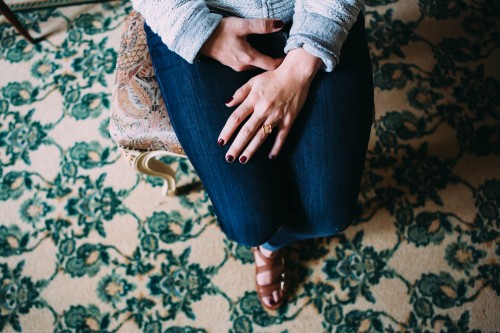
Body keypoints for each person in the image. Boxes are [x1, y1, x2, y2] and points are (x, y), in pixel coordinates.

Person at [132, 0, 374, 310]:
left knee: (330, 216)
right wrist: (195, 31)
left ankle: (274, 245)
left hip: (316, 10)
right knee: (248, 224)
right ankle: (265, 244)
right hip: (196, 13)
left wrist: (298, 70)